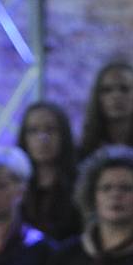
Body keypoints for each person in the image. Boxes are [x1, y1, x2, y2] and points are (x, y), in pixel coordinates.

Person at [15, 101, 82, 240]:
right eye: (33, 131)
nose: (42, 138)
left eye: (50, 130)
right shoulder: (13, 186)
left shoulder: (81, 184)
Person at [79, 58, 133, 155]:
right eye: (107, 90)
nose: (116, 96)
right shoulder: (84, 150)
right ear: (98, 98)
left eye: (124, 89)